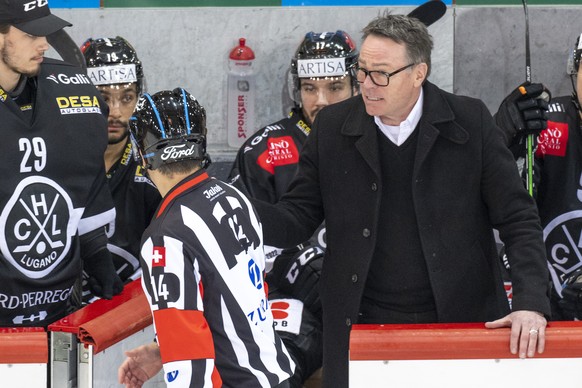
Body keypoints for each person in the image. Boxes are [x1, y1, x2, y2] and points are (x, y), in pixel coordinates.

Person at [248, 13, 551, 388]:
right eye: (362, 71)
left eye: (381, 74)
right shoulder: (331, 128)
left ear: (418, 73)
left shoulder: (470, 122)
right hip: (361, 326)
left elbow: (518, 218)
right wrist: (240, 210)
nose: (367, 84)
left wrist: (530, 300)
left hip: (460, 321)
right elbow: (297, 216)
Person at [118, 88, 294, 387]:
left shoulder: (166, 237)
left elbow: (188, 351)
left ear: (141, 154)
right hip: (274, 374)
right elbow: (239, 296)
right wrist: (163, 351)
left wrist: (172, 350)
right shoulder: (234, 196)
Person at [227, 29, 358, 387]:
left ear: (356, 86)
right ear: (296, 89)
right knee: (280, 361)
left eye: (335, 87)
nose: (321, 100)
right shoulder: (267, 149)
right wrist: (291, 266)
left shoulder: (379, 138)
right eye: (310, 88)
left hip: (369, 297)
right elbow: (236, 240)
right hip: (290, 300)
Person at [0, 0, 122, 327]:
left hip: (60, 312)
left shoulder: (76, 93)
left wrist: (97, 255)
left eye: (47, 32)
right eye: (30, 34)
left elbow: (85, 177)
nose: (44, 44)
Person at [496, 33, 582, 321]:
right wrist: (500, 137)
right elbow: (472, 194)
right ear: (574, 69)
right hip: (543, 308)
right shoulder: (550, 123)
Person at [80, 36, 161, 302]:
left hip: (133, 313)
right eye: (102, 98)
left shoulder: (157, 164)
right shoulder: (55, 157)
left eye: (126, 97)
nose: (115, 111)